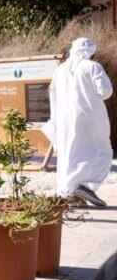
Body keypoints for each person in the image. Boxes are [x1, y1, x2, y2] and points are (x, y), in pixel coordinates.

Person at [47, 37, 113, 207]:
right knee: (103, 152)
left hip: (65, 119)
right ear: (90, 51)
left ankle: (68, 192)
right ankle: (87, 185)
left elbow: (53, 95)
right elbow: (105, 92)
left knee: (69, 154)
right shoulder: (93, 67)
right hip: (91, 117)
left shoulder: (59, 70)